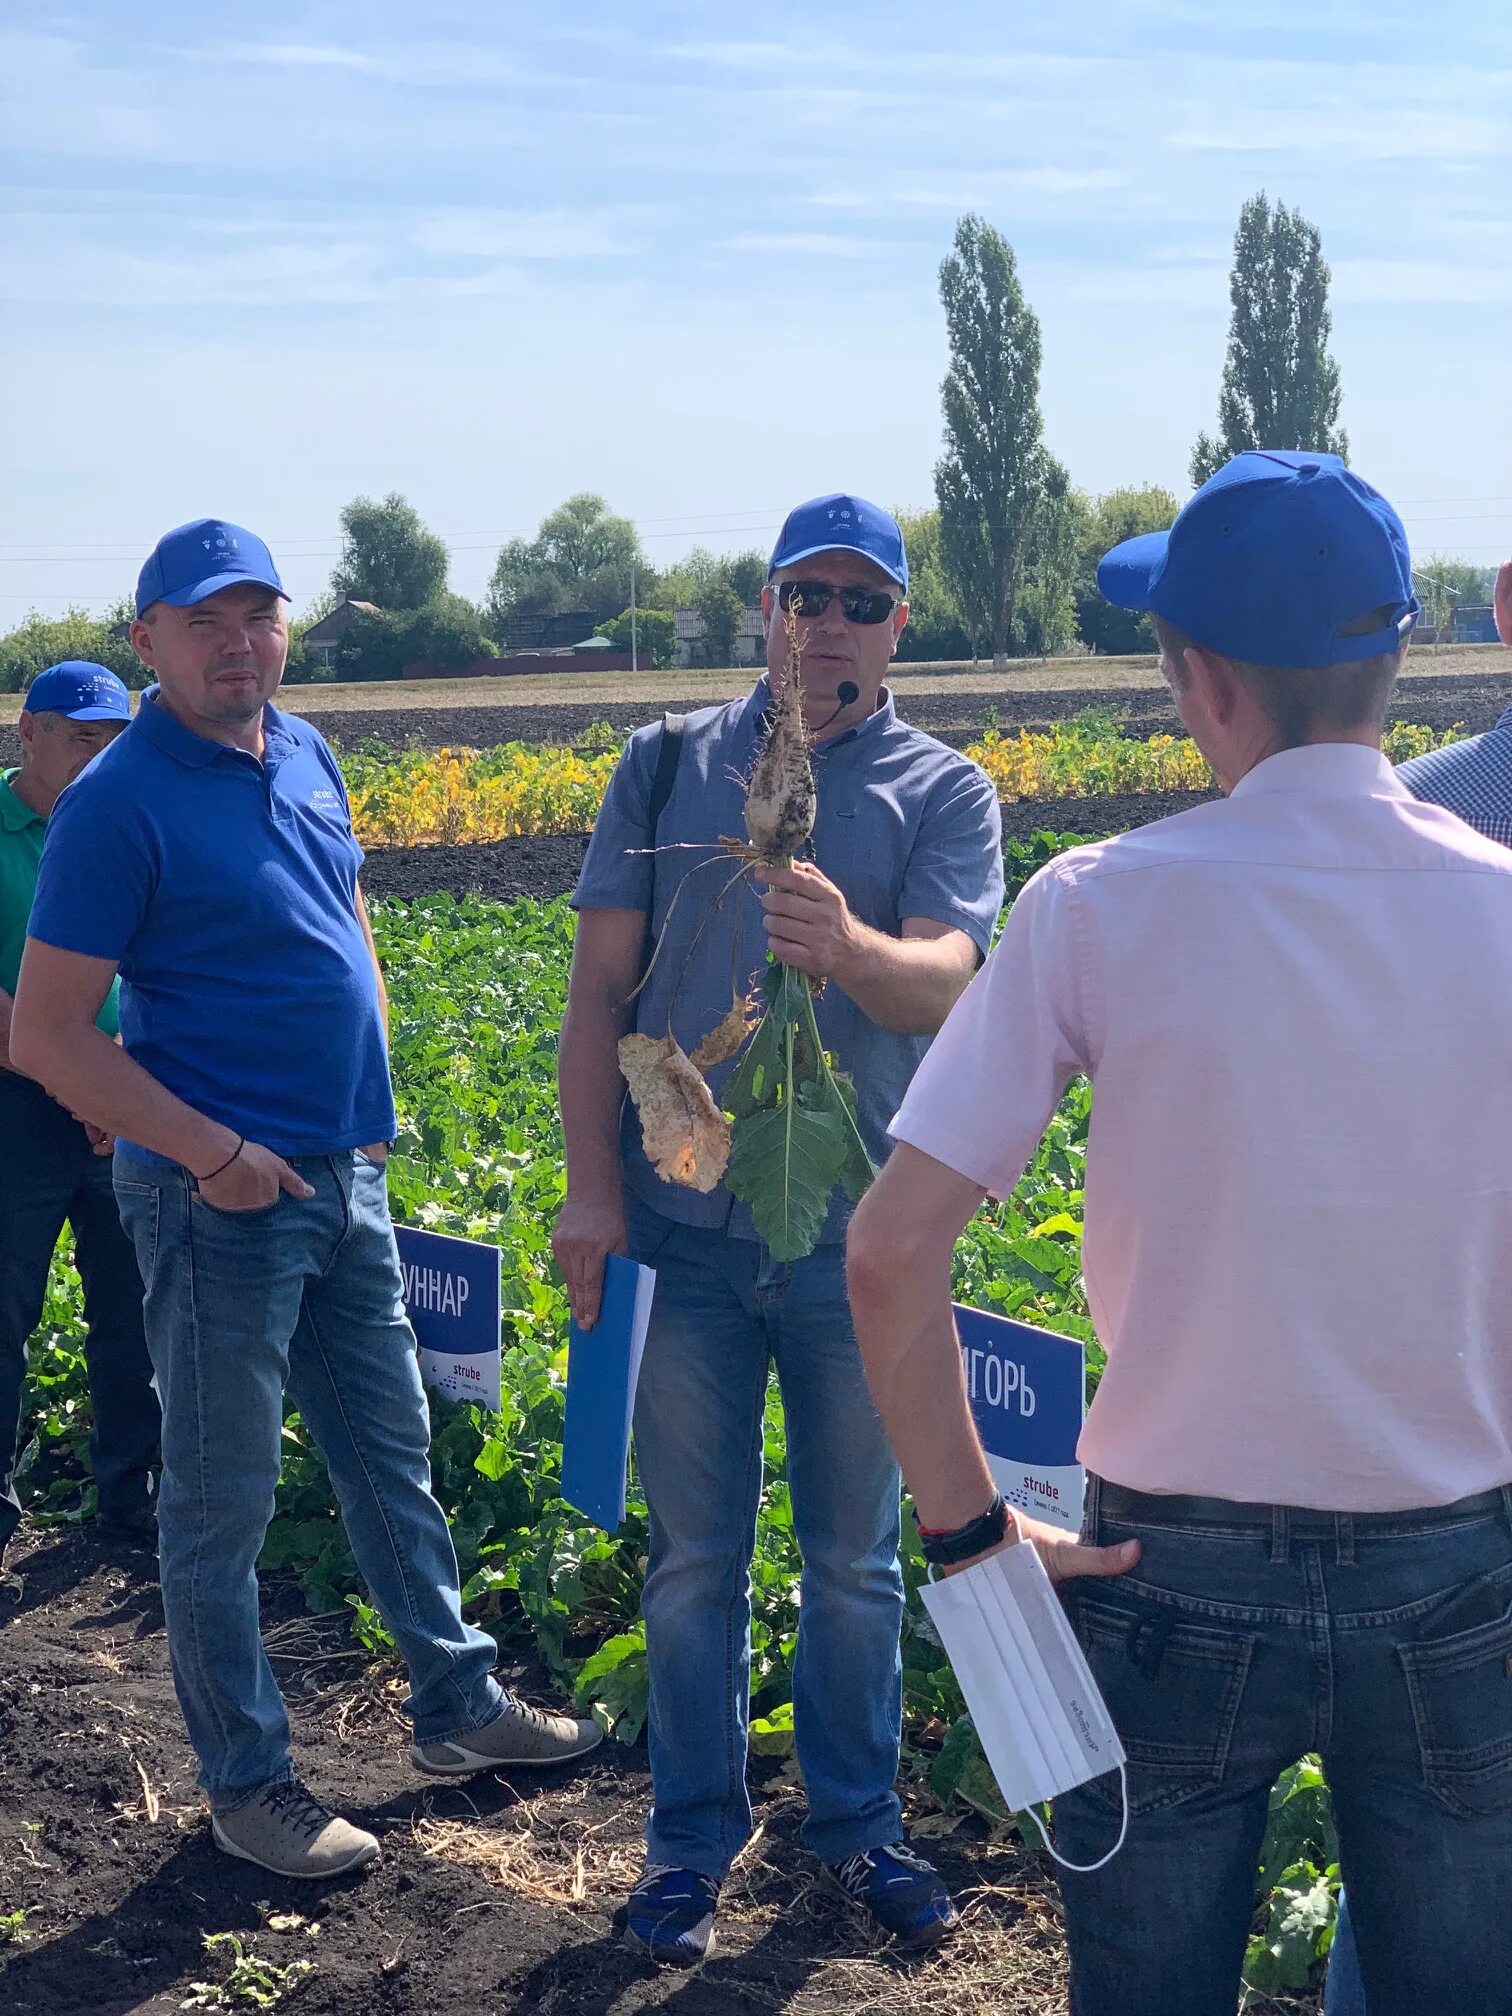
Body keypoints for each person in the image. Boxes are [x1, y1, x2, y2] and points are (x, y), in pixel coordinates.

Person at [846, 453, 1512, 2016]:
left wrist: (969, 1543)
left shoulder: (1099, 904)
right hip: (1457, 1564)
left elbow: (890, 1253)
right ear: (1393, 660)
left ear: (1201, 679)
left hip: (1160, 1567)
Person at [11, 520, 601, 1883]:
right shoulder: (117, 802)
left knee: (389, 1457)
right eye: (205, 620)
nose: (239, 643)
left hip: (341, 1175)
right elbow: (51, 1034)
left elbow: (349, 923)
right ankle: (249, 1783)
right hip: (219, 1199)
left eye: (260, 616)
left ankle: (457, 1706)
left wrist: (369, 1095)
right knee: (218, 1502)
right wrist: (213, 1154)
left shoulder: (310, 748)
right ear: (147, 638)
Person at [553, 495, 1004, 1964]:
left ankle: (857, 1825)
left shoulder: (944, 786)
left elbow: (949, 977)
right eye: (804, 594)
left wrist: (851, 949)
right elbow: (597, 993)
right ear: (766, 606)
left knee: (857, 1559)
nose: (827, 623)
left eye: (859, 601)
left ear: (898, 627)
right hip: (679, 1233)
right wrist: (594, 1189)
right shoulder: (670, 761)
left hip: (849, 1245)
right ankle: (691, 1837)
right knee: (692, 1561)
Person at [1320, 554, 1512, 2016]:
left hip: (1425, 1420)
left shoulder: (1420, 809)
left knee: (1420, 1830)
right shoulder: (1426, 815)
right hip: (1449, 1425)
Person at [0, 663, 159, 1563]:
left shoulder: (124, 826)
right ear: (28, 731)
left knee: (132, 1308)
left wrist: (120, 1082)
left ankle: (130, 1501)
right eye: (80, 737)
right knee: (3, 1310)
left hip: (126, 1098)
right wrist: (75, 1080)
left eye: (114, 740)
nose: (99, 755)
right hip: (18, 1104)